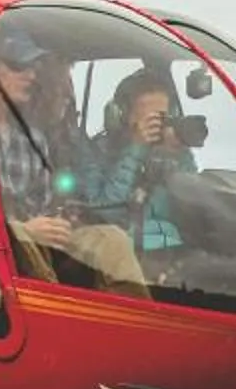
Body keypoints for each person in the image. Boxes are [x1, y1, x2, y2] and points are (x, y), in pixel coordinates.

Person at [0, 24, 146, 310]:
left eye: (33, 66)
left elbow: (43, 208)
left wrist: (58, 224)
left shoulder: (31, 137)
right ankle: (57, 324)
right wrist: (24, 231)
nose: (31, 75)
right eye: (19, 65)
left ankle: (136, 332)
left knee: (111, 240)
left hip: (23, 247)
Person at [76, 65, 194, 261]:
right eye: (150, 120)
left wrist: (179, 155)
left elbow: (191, 212)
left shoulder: (173, 152)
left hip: (171, 256)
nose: (158, 126)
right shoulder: (94, 153)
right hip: (117, 258)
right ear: (120, 116)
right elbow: (104, 215)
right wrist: (135, 149)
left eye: (163, 118)